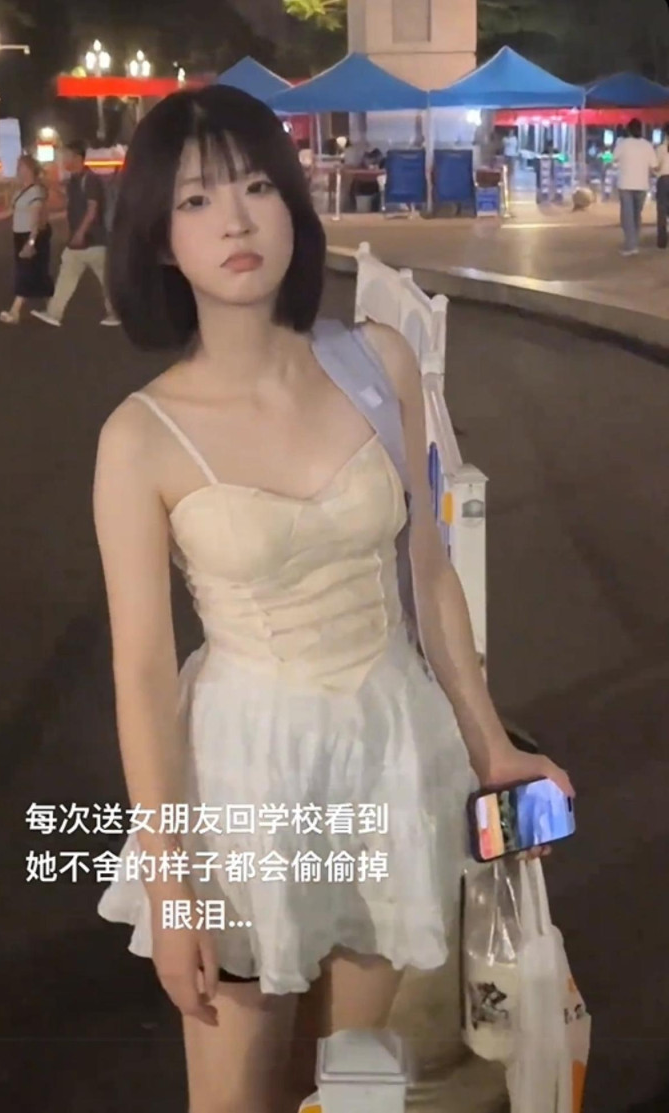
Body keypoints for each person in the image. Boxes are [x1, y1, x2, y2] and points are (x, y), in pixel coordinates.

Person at [92, 84, 573, 1113]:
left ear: (292, 204)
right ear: (159, 239)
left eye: (256, 187)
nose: (235, 221)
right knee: (238, 1096)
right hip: (246, 775)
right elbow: (140, 674)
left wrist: (491, 745)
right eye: (195, 201)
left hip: (390, 751)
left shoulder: (376, 361)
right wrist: (173, 887)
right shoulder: (138, 438)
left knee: (356, 1085)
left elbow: (428, 571)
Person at [31, 140, 119, 327]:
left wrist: (80, 232)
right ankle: (54, 313)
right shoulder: (74, 180)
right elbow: (71, 204)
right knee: (68, 274)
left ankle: (116, 313)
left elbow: (92, 209)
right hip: (80, 243)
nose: (64, 161)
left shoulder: (91, 179)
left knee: (105, 280)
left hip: (94, 240)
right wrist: (52, 187)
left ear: (78, 158)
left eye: (67, 157)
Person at [0, 154, 54, 324]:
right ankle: (53, 308)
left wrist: (31, 242)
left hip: (33, 235)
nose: (18, 170)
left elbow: (36, 219)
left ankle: (14, 312)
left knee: (25, 272)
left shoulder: (36, 191)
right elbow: (11, 211)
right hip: (20, 235)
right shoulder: (20, 191)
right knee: (38, 273)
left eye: (21, 167)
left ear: (29, 169)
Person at [612, 118, 658, 256]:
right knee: (636, 215)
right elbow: (654, 165)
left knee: (627, 216)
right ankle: (633, 242)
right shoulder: (647, 145)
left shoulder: (622, 144)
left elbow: (614, 159)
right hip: (642, 184)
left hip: (625, 184)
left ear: (629, 130)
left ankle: (631, 245)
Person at [655, 122, 669, 249]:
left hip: (664, 180)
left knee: (662, 211)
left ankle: (662, 241)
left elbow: (656, 165)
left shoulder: (661, 149)